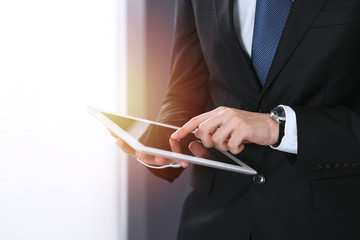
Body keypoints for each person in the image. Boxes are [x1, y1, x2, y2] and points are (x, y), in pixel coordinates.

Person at [115, 0, 360, 239]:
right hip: (214, 218)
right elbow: (185, 92)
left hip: (325, 218)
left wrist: (278, 127)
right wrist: (167, 142)